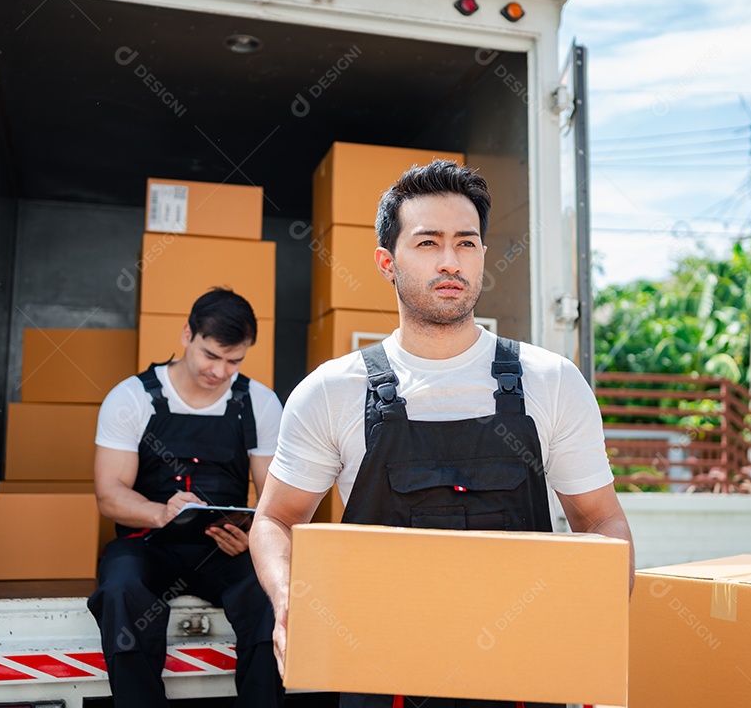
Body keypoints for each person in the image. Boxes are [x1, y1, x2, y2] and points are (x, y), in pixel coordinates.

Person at [249, 160, 635, 708]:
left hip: (522, 677)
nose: (451, 261)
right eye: (428, 242)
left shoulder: (551, 381)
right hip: (381, 676)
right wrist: (288, 597)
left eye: (466, 243)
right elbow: (276, 519)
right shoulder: (331, 391)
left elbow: (600, 520)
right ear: (387, 262)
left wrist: (598, 617)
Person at [89, 288, 284, 708]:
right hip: (148, 544)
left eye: (234, 361)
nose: (220, 371)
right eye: (211, 355)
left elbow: (276, 497)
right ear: (186, 335)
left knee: (271, 593)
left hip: (224, 549)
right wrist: (161, 512)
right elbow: (109, 495)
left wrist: (253, 535)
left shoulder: (259, 403)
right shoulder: (132, 397)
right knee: (121, 590)